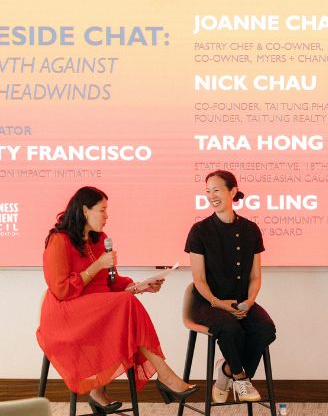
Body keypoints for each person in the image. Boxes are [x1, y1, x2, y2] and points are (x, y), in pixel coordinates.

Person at [36, 186, 196, 414]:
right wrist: (97, 265)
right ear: (85, 210)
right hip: (66, 314)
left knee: (125, 308)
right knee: (125, 305)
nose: (107, 216)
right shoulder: (59, 240)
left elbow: (111, 283)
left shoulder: (100, 240)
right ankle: (165, 375)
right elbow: (61, 290)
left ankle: (99, 391)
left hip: (97, 311)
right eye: (102, 210)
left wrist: (140, 286)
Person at [186, 170, 277, 403]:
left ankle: (226, 370)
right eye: (208, 191)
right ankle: (240, 377)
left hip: (241, 301)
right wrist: (218, 303)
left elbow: (255, 276)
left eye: (216, 190)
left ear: (232, 191)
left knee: (266, 329)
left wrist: (250, 301)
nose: (211, 196)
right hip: (207, 302)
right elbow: (199, 279)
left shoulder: (250, 229)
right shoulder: (199, 231)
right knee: (230, 329)